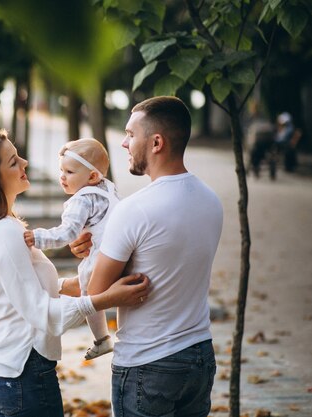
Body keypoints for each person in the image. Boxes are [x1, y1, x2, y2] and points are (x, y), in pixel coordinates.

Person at [0, 127, 150, 417]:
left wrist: (72, 285)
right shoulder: (3, 233)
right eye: (13, 161)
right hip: (21, 373)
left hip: (0, 367)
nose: (25, 163)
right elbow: (42, 313)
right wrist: (105, 299)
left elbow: (18, 290)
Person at [73, 96, 223, 416]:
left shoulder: (134, 210)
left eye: (130, 134)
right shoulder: (211, 200)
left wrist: (90, 255)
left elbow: (97, 290)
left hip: (148, 362)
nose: (124, 143)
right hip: (199, 355)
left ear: (156, 142)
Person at [23, 138, 120, 360]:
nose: (62, 177)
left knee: (88, 295)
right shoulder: (108, 189)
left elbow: (66, 233)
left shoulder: (81, 201)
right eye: (61, 170)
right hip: (119, 252)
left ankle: (102, 339)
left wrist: (37, 237)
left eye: (69, 171)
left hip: (98, 258)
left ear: (93, 176)